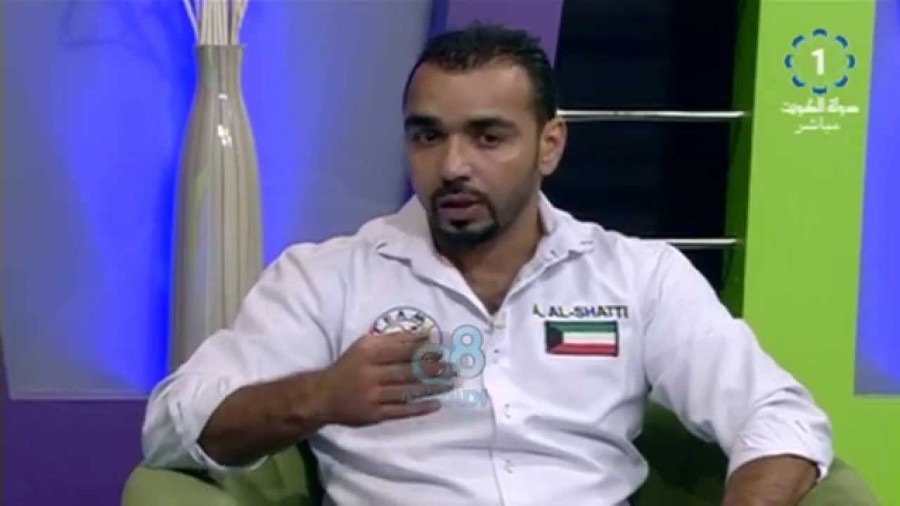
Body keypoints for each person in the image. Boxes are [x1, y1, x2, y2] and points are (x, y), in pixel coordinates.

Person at [142, 24, 833, 505]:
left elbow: (780, 416)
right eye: (428, 136)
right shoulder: (328, 278)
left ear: (550, 145)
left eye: (488, 137)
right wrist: (319, 396)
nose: (452, 166)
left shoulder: (637, 276)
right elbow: (171, 425)